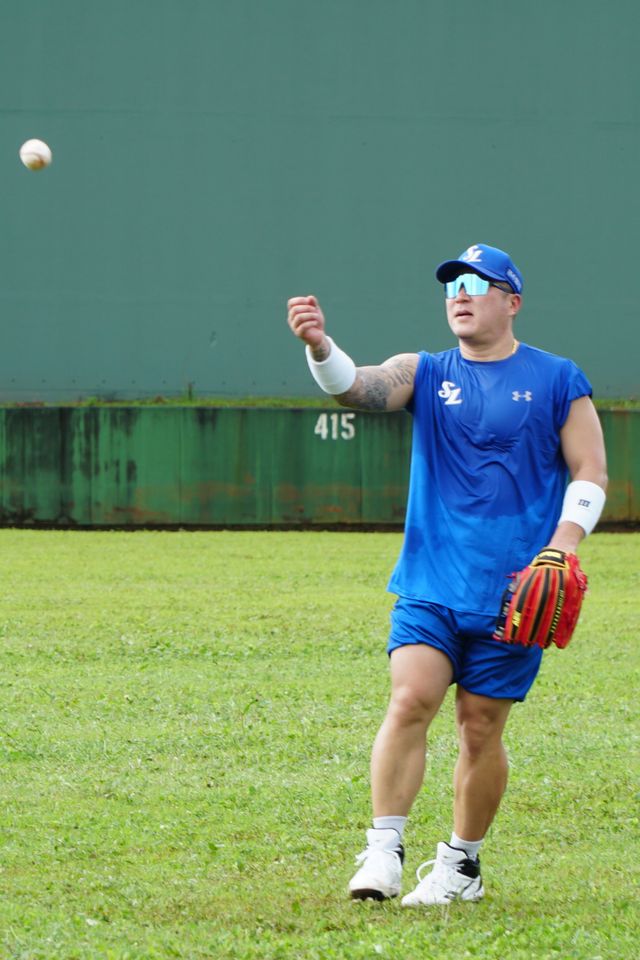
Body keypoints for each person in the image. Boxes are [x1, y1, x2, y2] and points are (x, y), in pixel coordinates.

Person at [286, 243, 607, 906]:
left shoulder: (557, 378)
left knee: (480, 727)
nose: (460, 294)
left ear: (511, 302)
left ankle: (461, 866)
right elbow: (359, 387)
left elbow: (591, 470)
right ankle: (383, 852)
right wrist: (320, 347)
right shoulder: (426, 371)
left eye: (477, 284)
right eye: (452, 285)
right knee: (410, 699)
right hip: (431, 581)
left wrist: (563, 545)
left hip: (516, 590)